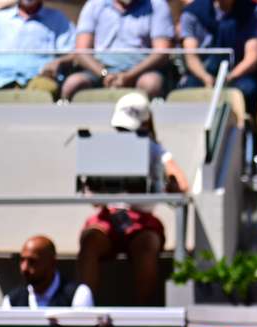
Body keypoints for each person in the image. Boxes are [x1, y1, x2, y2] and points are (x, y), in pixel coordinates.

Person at [77, 92, 189, 306]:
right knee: (89, 241)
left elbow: (182, 184)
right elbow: (95, 201)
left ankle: (141, 313)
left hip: (141, 221)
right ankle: (84, 310)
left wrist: (168, 184)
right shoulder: (104, 148)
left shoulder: (156, 150)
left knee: (146, 246)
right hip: (108, 217)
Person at [0, 0, 75, 102]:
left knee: (44, 89)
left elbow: (75, 52)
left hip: (37, 79)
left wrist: (58, 62)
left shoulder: (57, 18)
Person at [61, 0, 175, 101]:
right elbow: (82, 52)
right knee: (72, 84)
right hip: (100, 70)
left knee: (151, 84)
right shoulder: (94, 4)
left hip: (141, 70)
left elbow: (161, 52)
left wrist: (129, 76)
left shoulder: (157, 5)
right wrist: (104, 74)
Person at [179, 0, 257, 113]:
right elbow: (191, 56)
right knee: (186, 92)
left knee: (249, 90)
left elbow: (252, 57)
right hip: (202, 73)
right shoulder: (192, 12)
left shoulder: (253, 11)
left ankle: (244, 127)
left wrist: (228, 78)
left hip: (237, 74)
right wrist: (206, 78)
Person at [3, 236, 94, 308]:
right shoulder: (12, 301)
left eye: (32, 261)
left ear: (52, 262)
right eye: (22, 260)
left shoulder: (78, 295)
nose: (24, 268)